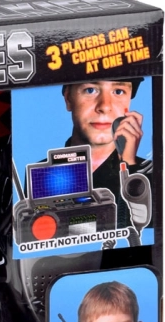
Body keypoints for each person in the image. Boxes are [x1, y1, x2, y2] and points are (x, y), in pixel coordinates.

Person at [61, 79, 151, 230]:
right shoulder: (36, 177)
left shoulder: (152, 174)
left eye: (118, 91)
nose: (105, 106)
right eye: (90, 90)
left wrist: (129, 166)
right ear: (68, 98)